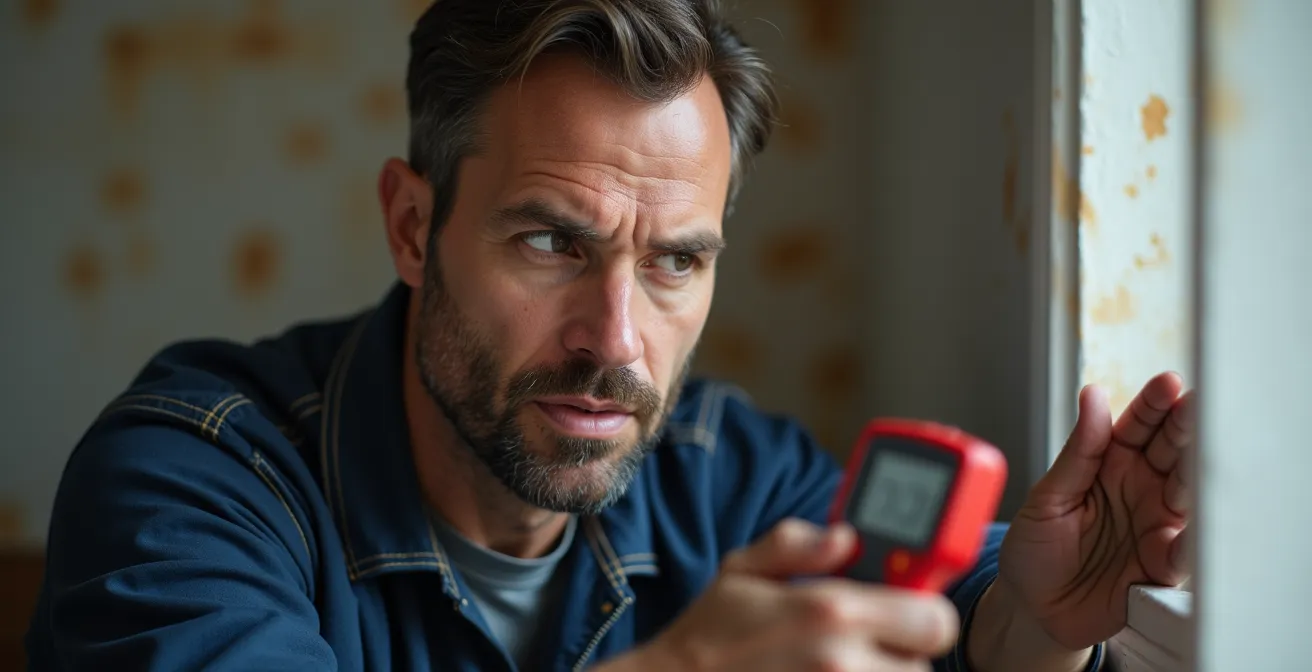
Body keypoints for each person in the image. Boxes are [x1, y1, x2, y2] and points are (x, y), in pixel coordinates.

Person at [26, 1, 1194, 670]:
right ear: (413, 226)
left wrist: (1033, 623)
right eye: (551, 243)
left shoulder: (723, 473)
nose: (617, 342)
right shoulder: (188, 482)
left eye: (675, 260)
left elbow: (942, 619)